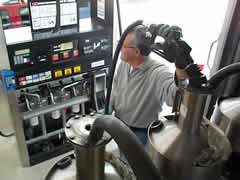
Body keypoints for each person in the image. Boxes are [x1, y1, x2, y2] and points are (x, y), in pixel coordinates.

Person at [110, 24, 190, 151]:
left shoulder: (158, 73)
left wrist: (181, 69)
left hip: (139, 135)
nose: (119, 47)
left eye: (123, 45)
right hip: (120, 126)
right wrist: (110, 106)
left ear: (136, 52)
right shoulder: (125, 64)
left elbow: (176, 97)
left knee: (133, 167)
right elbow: (115, 87)